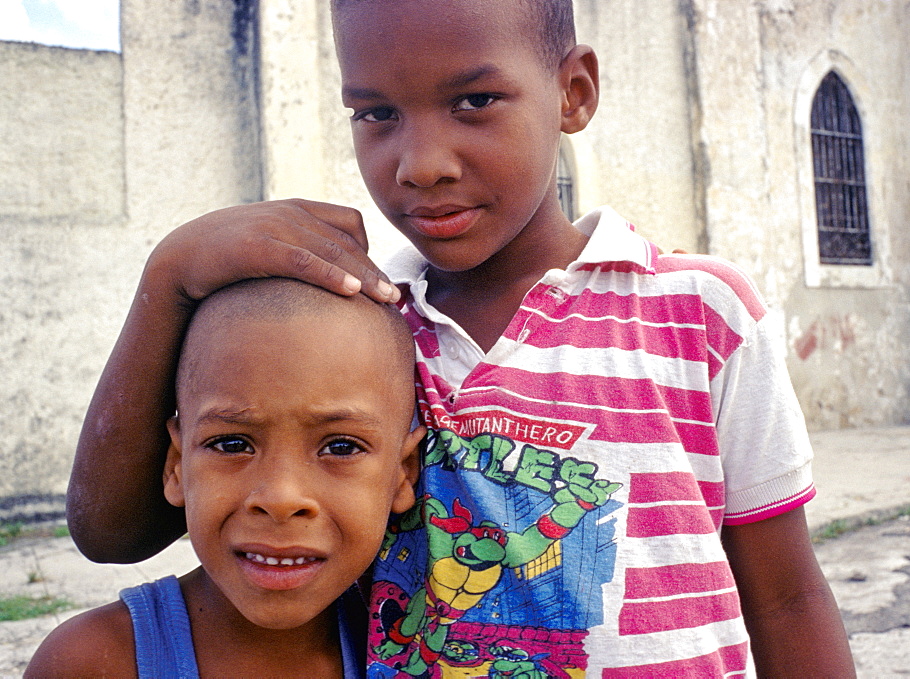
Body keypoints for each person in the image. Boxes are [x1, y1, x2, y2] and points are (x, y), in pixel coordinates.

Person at [67, 0, 855, 675]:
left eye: (474, 101)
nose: (420, 163)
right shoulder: (367, 326)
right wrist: (169, 275)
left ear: (572, 93)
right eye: (376, 114)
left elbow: (787, 596)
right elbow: (112, 529)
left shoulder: (697, 313)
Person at [30, 279, 423, 677]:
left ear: (402, 473)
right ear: (177, 465)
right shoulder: (93, 661)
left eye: (341, 447)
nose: (281, 498)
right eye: (232, 444)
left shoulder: (435, 653)